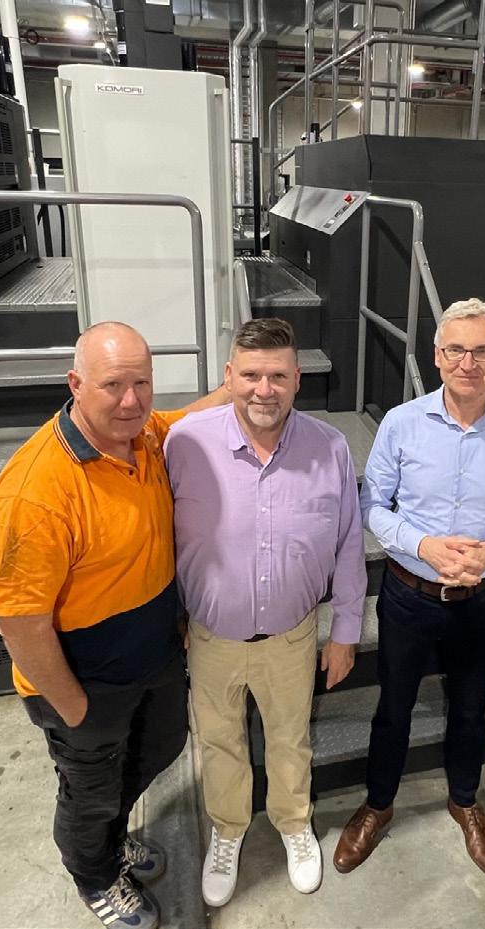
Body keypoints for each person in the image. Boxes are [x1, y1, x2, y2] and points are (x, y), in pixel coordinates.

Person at [0, 321, 227, 929]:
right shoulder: (37, 492)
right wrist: (72, 707)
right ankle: (95, 874)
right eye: (113, 385)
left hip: (152, 656)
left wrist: (245, 382)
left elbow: (188, 416)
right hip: (83, 679)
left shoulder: (143, 435)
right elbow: (19, 623)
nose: (130, 400)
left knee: (161, 747)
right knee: (90, 793)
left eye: (142, 383)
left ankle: (112, 838)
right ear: (75, 384)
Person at [335, 298, 485, 879]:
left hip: (482, 600)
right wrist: (422, 545)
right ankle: (378, 806)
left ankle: (465, 802)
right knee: (393, 707)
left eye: (481, 351)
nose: (467, 363)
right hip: (409, 595)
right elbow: (372, 506)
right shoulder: (402, 424)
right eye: (456, 349)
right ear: (436, 355)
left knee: (471, 708)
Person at [165, 317, 366, 908]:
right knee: (219, 741)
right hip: (211, 638)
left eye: (277, 376)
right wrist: (171, 616)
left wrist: (346, 631)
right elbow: (156, 536)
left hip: (292, 638)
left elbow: (349, 542)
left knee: (289, 738)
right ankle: (227, 831)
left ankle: (293, 822)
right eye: (251, 375)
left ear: (297, 378)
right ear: (229, 376)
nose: (264, 389)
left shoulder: (329, 448)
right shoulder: (185, 443)